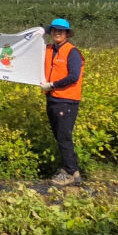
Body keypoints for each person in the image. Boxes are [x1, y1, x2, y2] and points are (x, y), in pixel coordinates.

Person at [41, 18, 85, 187]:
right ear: (51, 32)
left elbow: (74, 76)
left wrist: (53, 84)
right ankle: (68, 170)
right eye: (54, 30)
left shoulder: (72, 52)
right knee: (59, 136)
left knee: (64, 136)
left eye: (61, 30)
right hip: (52, 97)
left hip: (67, 100)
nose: (57, 33)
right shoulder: (48, 49)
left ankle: (71, 172)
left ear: (67, 33)